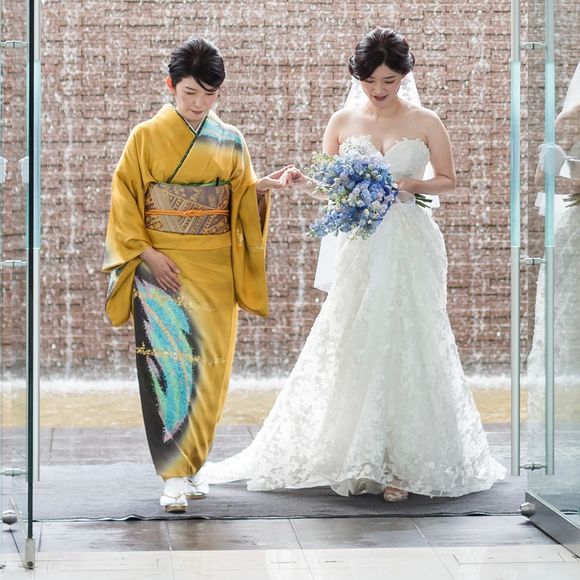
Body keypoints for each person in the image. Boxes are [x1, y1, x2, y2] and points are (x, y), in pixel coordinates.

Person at [200, 27, 506, 501]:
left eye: (389, 81)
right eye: (370, 81)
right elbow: (332, 190)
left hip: (410, 241)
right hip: (361, 244)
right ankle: (359, 452)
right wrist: (302, 183)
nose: (379, 90)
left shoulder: (426, 121)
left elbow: (448, 179)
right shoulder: (342, 121)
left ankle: (405, 465)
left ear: (404, 76)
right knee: (355, 338)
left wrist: (411, 185)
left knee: (410, 338)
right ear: (357, 77)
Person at [102, 36, 289, 513]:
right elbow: (124, 200)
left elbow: (241, 199)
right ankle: (172, 474)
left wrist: (261, 189)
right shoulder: (145, 136)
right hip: (160, 268)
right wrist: (147, 254)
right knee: (166, 367)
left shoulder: (231, 139)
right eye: (189, 93)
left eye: (209, 94)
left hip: (215, 268)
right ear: (170, 86)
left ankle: (195, 463)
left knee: (209, 370)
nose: (199, 103)